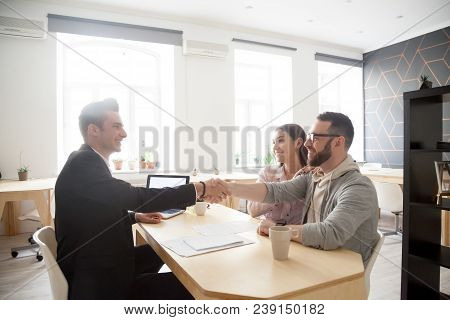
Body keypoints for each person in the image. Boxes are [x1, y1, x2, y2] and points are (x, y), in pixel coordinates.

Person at [55, 98, 226, 299]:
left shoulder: (85, 159)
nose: (124, 133)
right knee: (193, 288)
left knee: (162, 251)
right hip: (98, 282)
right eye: (116, 127)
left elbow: (96, 211)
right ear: (93, 130)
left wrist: (134, 217)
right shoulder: (84, 162)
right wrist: (198, 188)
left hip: (100, 262)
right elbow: (135, 197)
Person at [221, 112, 379, 267]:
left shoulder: (358, 187)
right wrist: (226, 187)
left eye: (315, 138)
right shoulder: (313, 177)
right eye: (309, 136)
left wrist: (278, 230)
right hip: (312, 261)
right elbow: (276, 191)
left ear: (338, 142)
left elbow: (330, 233)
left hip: (339, 277)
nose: (306, 143)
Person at [247, 124, 308, 224]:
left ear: (298, 143)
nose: (275, 147)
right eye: (274, 143)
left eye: (280, 141)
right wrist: (277, 192)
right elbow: (252, 210)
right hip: (266, 235)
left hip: (296, 237)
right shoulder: (267, 173)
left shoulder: (312, 176)